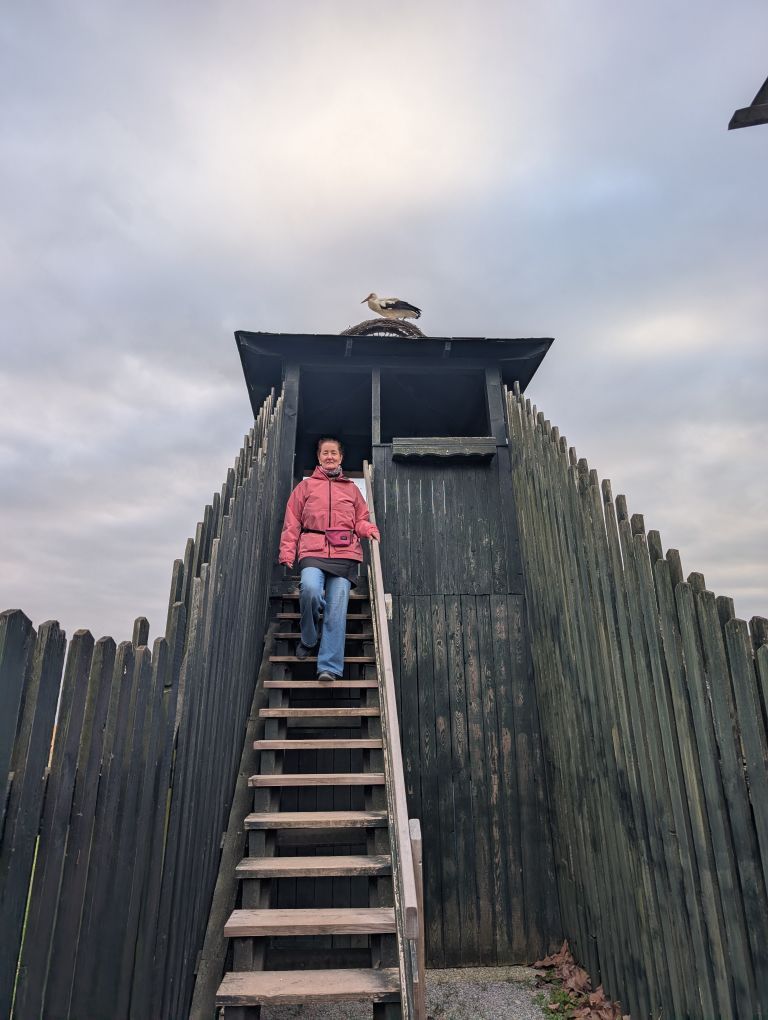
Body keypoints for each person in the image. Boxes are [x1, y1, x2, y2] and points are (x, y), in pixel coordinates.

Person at [278, 436, 380, 681]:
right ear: (319, 457)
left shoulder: (352, 490)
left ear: (341, 457)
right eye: (325, 453)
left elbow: (360, 519)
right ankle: (309, 638)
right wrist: (287, 552)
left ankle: (329, 667)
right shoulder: (305, 488)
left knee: (336, 609)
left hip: (345, 555)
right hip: (312, 550)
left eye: (334, 452)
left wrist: (367, 530)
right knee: (311, 590)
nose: (330, 456)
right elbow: (292, 523)